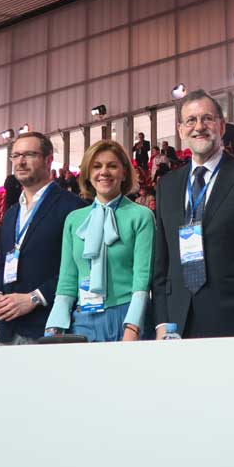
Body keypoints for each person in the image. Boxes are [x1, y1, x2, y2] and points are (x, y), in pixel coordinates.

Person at [151, 89, 234, 338]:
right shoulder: (167, 186)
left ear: (222, 126)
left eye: (207, 118)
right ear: (181, 130)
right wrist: (161, 321)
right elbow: (161, 262)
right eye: (191, 120)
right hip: (177, 324)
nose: (199, 126)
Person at [45, 140, 154, 342]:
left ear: (124, 173)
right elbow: (67, 280)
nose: (104, 172)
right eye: (97, 166)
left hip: (127, 317)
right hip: (83, 319)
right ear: (87, 173)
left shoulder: (141, 216)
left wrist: (133, 327)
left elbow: (143, 278)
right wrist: (53, 328)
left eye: (112, 166)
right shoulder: (73, 220)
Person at [0, 132, 85, 345]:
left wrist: (35, 297)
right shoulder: (11, 214)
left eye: (29, 154)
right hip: (8, 329)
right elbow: (2, 266)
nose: (20, 162)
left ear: (48, 159)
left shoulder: (73, 208)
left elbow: (80, 268)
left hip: (50, 327)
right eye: (15, 156)